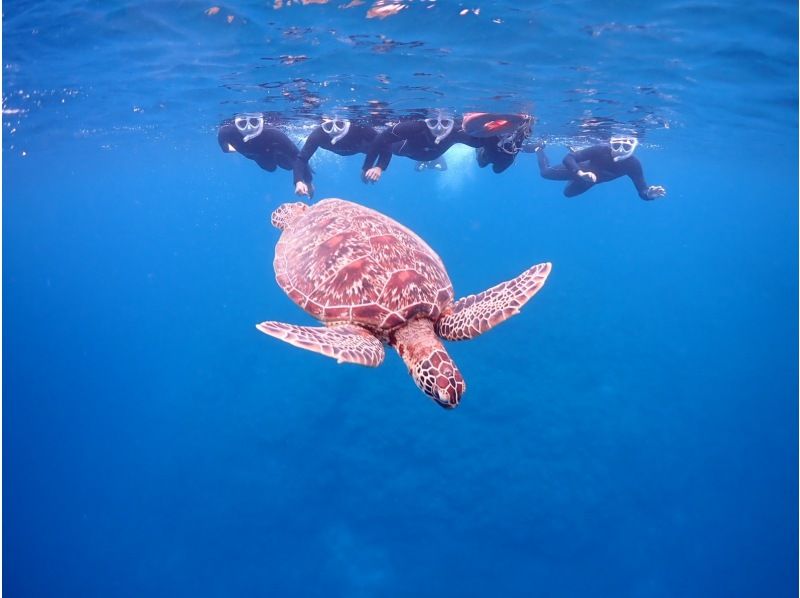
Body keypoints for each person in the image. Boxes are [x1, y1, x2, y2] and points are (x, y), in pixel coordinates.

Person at [361, 112, 484, 183]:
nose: (439, 128)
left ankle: (431, 161)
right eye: (433, 122)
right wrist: (376, 167)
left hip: (433, 154)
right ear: (426, 121)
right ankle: (431, 161)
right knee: (387, 143)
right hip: (407, 150)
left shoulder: (457, 131)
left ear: (452, 122)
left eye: (445, 122)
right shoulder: (415, 127)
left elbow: (480, 141)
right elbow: (381, 139)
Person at [535, 136, 667, 200]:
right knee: (545, 173)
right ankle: (539, 148)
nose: (620, 150)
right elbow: (568, 159)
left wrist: (649, 194)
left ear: (632, 148)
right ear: (611, 144)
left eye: (626, 147)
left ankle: (580, 153)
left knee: (568, 194)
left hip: (591, 180)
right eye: (616, 145)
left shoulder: (633, 164)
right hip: (579, 170)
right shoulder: (601, 149)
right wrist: (580, 173)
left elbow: (642, 190)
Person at [293, 117, 379, 198]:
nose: (335, 130)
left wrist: (368, 167)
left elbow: (384, 144)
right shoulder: (317, 135)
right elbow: (302, 159)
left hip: (362, 147)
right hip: (356, 147)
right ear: (323, 125)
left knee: (379, 146)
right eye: (329, 126)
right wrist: (299, 181)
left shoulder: (359, 128)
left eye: (339, 124)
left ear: (346, 123)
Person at [218, 113, 311, 183]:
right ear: (235, 124)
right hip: (259, 156)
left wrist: (306, 181)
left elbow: (299, 156)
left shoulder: (274, 133)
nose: (249, 128)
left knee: (289, 166)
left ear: (261, 121)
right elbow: (225, 149)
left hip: (274, 149)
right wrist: (237, 148)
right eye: (242, 124)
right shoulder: (225, 133)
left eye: (254, 122)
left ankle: (278, 154)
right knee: (270, 168)